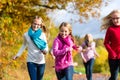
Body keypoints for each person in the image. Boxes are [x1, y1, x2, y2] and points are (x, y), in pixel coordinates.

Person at [13, 16, 48, 80]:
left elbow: (45, 45)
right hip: (31, 61)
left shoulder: (42, 35)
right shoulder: (26, 35)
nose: (36, 26)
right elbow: (24, 45)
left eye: (38, 25)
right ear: (31, 23)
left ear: (40, 26)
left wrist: (45, 51)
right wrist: (18, 54)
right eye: (35, 23)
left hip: (41, 61)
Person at [101, 10, 120, 80]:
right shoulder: (110, 29)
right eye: (113, 19)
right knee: (114, 77)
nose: (115, 20)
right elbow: (106, 42)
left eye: (117, 18)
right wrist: (111, 52)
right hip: (113, 57)